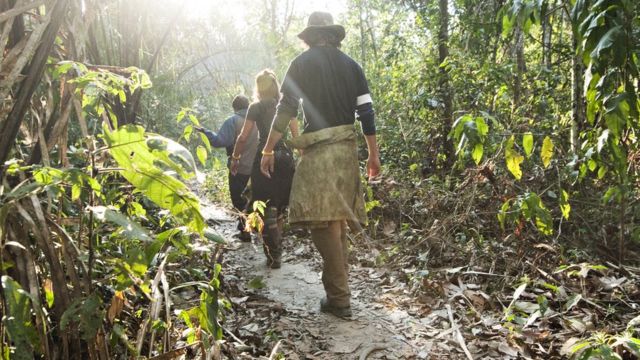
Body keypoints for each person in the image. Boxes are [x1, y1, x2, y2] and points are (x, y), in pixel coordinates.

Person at [259, 12, 381, 318]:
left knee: (320, 220)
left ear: (310, 35)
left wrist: (268, 149)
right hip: (346, 151)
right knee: (335, 219)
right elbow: (366, 113)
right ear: (334, 35)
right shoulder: (352, 65)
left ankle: (340, 298)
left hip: (319, 149)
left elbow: (285, 110)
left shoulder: (301, 63)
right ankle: (336, 293)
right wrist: (373, 155)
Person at [231, 70, 298, 269]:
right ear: (276, 86)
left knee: (266, 206)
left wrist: (235, 157)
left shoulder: (255, 107)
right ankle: (277, 250)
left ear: (258, 88)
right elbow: (296, 136)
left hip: (264, 157)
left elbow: (243, 137)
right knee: (278, 207)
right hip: (285, 158)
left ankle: (273, 253)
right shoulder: (287, 106)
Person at [195, 95, 257, 241]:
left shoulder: (233, 121)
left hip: (238, 168)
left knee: (238, 199)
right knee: (254, 198)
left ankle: (245, 231)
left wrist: (205, 132)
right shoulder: (257, 120)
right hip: (257, 168)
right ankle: (254, 227)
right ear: (248, 106)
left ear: (235, 108)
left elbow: (220, 141)